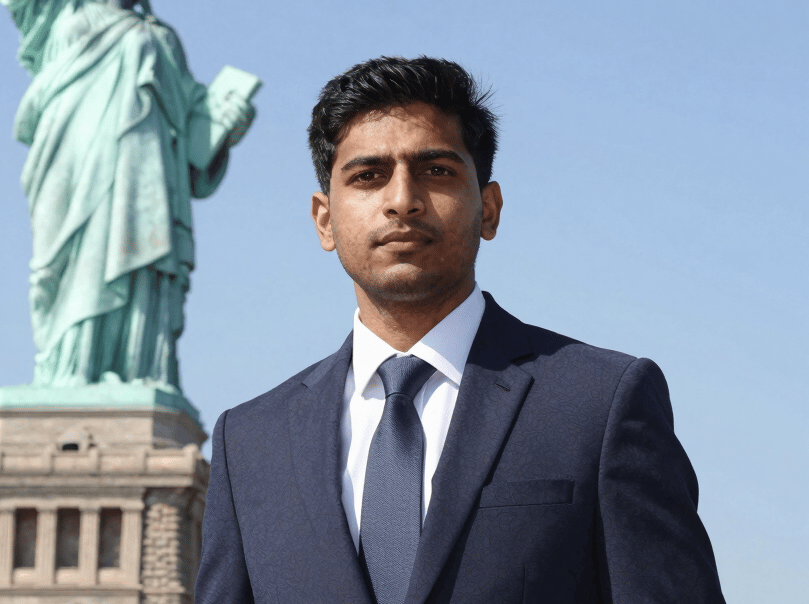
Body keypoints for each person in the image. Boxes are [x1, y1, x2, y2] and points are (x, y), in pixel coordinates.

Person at [195, 57, 725, 603]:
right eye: (369, 175)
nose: (402, 200)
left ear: (489, 209)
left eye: (437, 171)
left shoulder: (599, 402)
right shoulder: (251, 442)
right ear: (325, 220)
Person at [1, 0, 255, 389]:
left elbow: (194, 129)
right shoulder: (62, 16)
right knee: (62, 266)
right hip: (67, 160)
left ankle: (135, 368)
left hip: (142, 174)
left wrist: (227, 123)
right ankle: (63, 370)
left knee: (135, 254)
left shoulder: (160, 37)